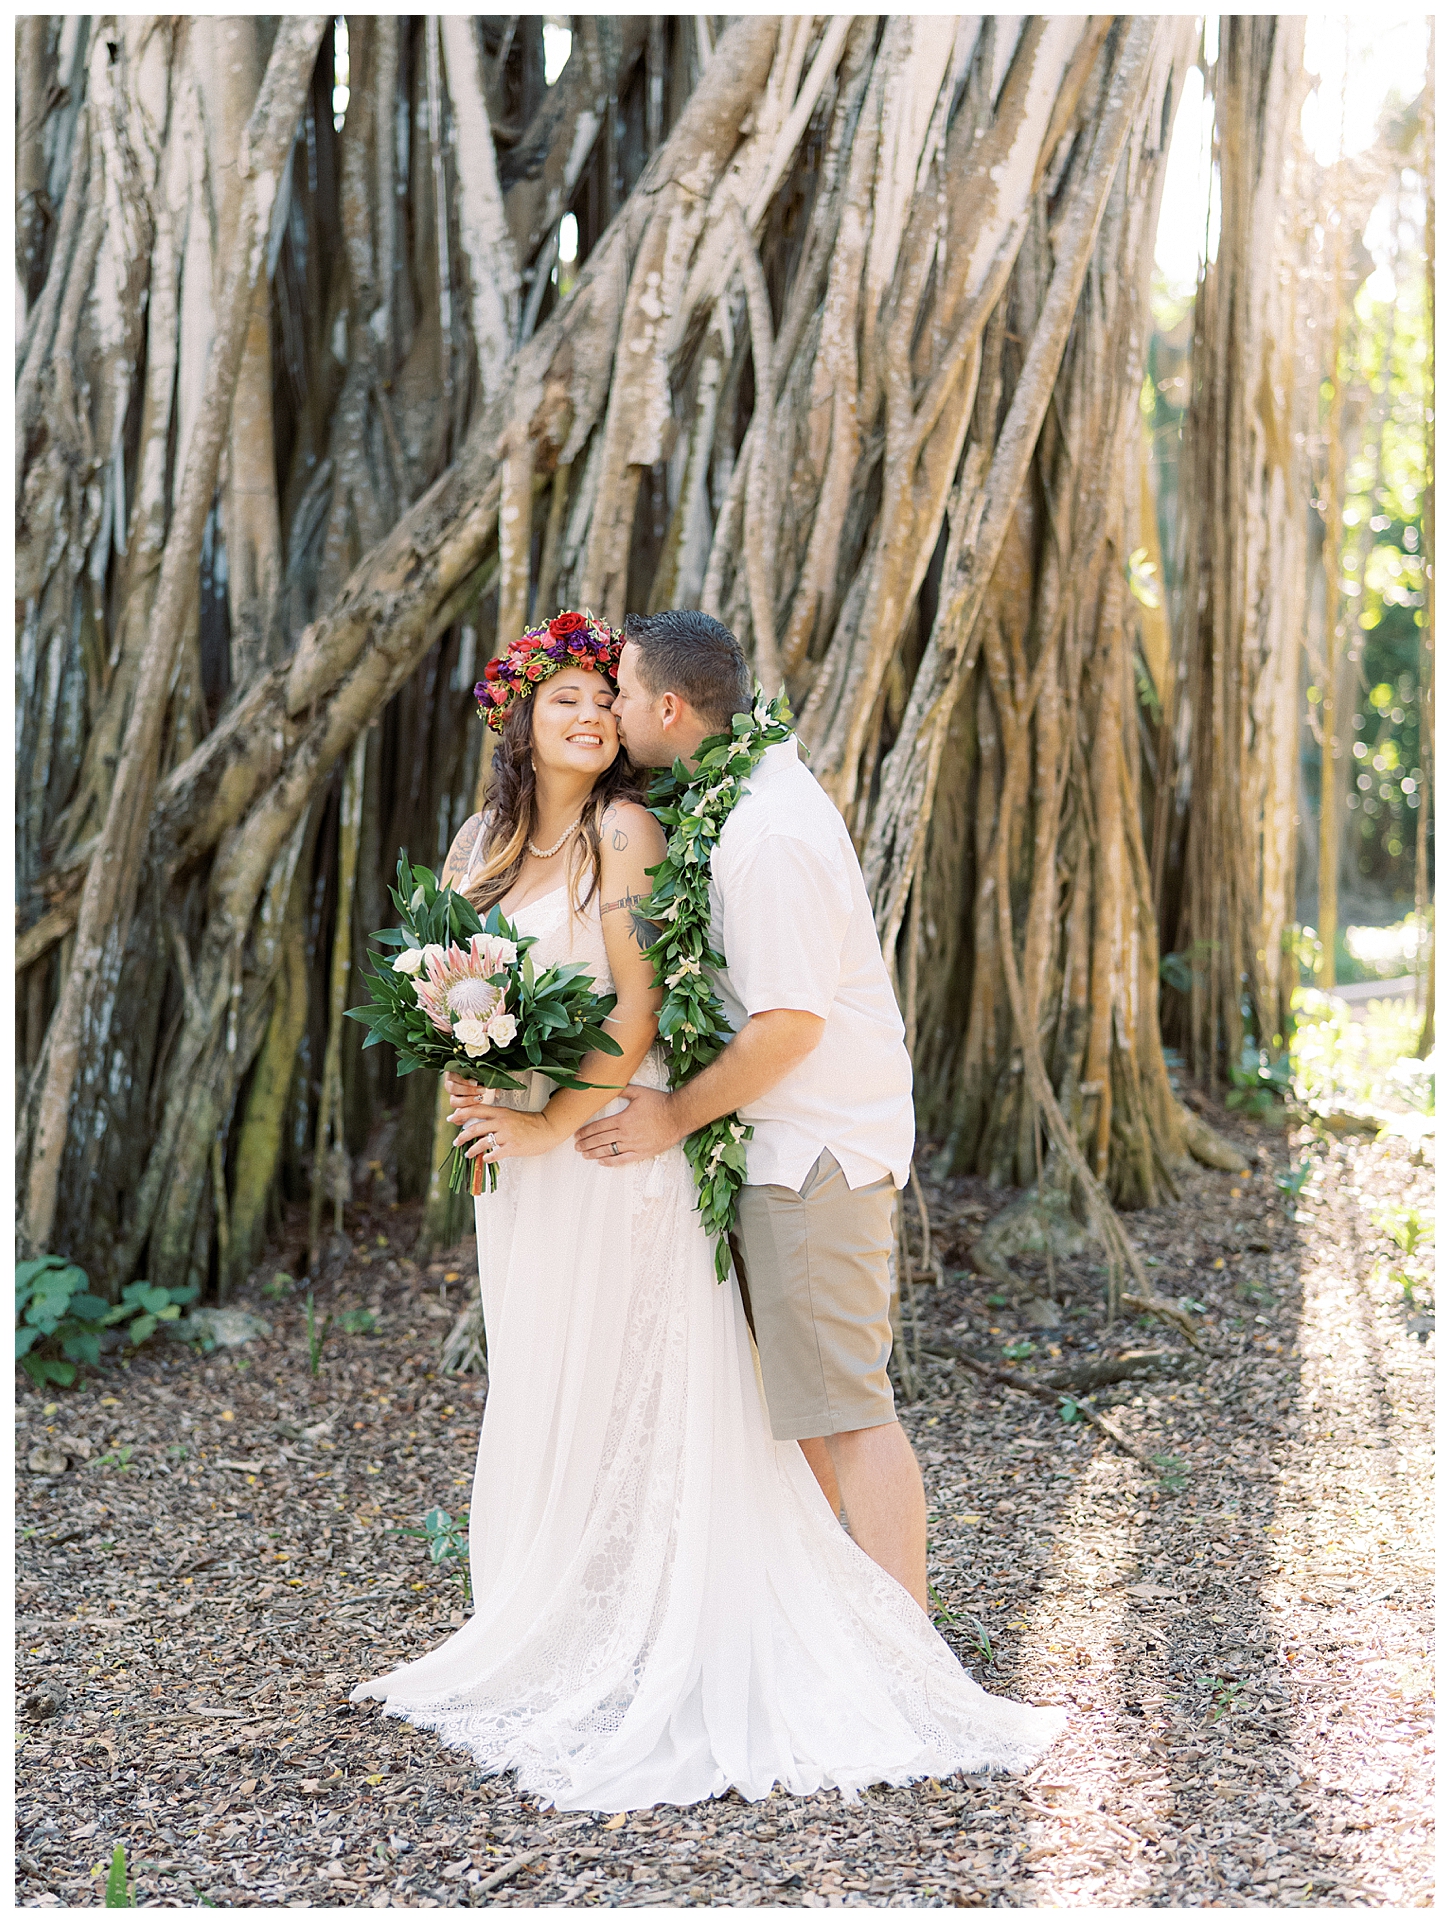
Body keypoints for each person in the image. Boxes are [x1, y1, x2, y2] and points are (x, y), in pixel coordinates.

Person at [352, 608, 1065, 1813]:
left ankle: (886, 1657)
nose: (592, 714)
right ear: (515, 718)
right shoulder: (487, 839)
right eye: (566, 698)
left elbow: (651, 1015)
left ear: (653, 715)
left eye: (604, 695)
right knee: (553, 1378)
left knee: (760, 1395)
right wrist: (471, 1062)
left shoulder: (642, 830)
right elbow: (463, 982)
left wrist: (552, 1119)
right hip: (533, 1167)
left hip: (631, 1143)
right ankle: (569, 1610)